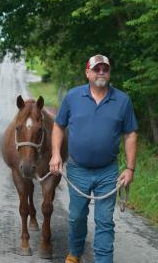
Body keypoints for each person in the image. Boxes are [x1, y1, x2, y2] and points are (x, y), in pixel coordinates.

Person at [49, 54, 138, 263]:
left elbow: (131, 134)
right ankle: (75, 253)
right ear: (87, 72)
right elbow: (58, 126)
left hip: (108, 172)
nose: (101, 73)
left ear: (109, 72)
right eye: (96, 69)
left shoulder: (122, 100)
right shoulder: (72, 97)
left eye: (105, 69)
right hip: (78, 169)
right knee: (77, 217)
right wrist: (55, 155)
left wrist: (130, 168)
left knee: (104, 221)